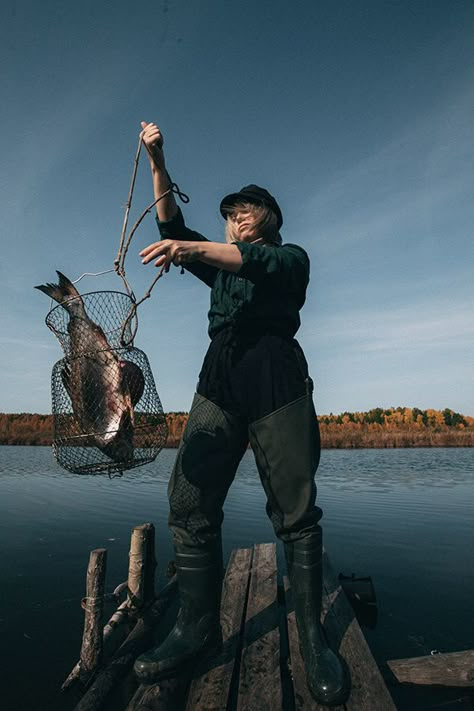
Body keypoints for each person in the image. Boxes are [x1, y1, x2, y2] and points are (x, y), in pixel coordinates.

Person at [133, 121, 349, 706]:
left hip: (276, 378)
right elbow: (171, 225)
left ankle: (312, 638)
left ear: (272, 217)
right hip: (219, 380)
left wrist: (193, 248)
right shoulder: (219, 261)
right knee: (189, 500)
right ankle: (195, 628)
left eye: (249, 207)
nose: (238, 215)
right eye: (231, 211)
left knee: (296, 513)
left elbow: (212, 251)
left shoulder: (289, 259)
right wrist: (158, 159)